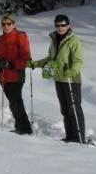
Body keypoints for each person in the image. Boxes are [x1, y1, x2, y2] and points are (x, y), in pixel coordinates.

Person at [28, 15, 86, 143]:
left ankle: (79, 138)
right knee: (65, 109)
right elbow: (50, 58)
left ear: (68, 26)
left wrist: (72, 71)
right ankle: (70, 136)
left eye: (63, 25)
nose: (60, 28)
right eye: (58, 25)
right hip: (59, 79)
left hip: (71, 80)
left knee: (74, 109)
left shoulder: (73, 40)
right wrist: (35, 64)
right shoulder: (54, 39)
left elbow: (78, 60)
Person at [0, 14, 32, 135]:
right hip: (3, 76)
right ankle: (19, 126)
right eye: (3, 24)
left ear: (14, 24)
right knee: (13, 103)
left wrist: (10, 64)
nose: (6, 26)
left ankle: (25, 128)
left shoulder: (20, 36)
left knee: (16, 102)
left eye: (9, 24)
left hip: (16, 75)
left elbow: (26, 59)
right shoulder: (0, 39)